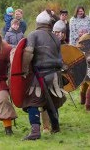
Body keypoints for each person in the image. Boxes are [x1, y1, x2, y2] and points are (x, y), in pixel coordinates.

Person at [21, 9, 66, 140]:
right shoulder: (55, 37)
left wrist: (23, 70)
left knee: (32, 102)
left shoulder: (33, 35)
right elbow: (60, 58)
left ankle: (35, 131)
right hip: (55, 74)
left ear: (38, 22)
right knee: (51, 101)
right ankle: (56, 127)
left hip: (40, 74)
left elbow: (28, 53)